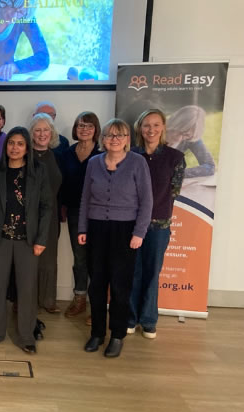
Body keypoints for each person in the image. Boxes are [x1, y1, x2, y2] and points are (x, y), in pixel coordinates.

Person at [78, 119, 152, 358]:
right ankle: (97, 334)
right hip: (97, 230)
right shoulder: (93, 163)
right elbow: (85, 200)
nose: (114, 139)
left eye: (120, 135)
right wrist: (82, 229)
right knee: (97, 285)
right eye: (110, 135)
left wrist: (139, 233)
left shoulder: (137, 163)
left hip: (125, 232)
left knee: (121, 287)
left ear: (128, 139)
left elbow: (147, 201)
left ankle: (117, 335)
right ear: (103, 139)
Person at [0, 127, 53, 354]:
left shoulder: (38, 171)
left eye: (20, 143)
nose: (15, 147)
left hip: (28, 241)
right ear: (6, 145)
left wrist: (41, 239)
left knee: (27, 289)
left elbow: (46, 207)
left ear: (27, 148)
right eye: (11, 143)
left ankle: (26, 336)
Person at [128, 109, 185, 339]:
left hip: (159, 226)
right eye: (146, 125)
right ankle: (130, 318)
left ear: (163, 127)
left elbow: (174, 192)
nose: (151, 130)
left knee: (152, 273)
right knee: (133, 273)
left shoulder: (175, 157)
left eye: (156, 125)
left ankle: (149, 321)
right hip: (131, 225)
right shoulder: (130, 155)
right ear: (139, 129)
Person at [60, 112, 102, 320]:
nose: (84, 130)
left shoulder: (102, 153)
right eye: (80, 126)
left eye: (89, 126)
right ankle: (80, 299)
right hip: (76, 211)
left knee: (97, 259)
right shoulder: (67, 153)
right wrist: (63, 207)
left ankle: (97, 306)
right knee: (80, 257)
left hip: (99, 214)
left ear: (96, 130)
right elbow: (62, 183)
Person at [30, 113, 63, 314]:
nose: (42, 134)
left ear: (52, 133)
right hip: (28, 216)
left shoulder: (58, 156)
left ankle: (47, 299)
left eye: (46, 130)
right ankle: (24, 300)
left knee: (49, 258)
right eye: (38, 130)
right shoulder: (24, 156)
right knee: (27, 259)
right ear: (31, 133)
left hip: (51, 217)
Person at [166, 105, 214, 178]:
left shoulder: (191, 138)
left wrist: (178, 173)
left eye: (186, 135)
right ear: (174, 124)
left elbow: (210, 166)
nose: (179, 138)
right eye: (179, 131)